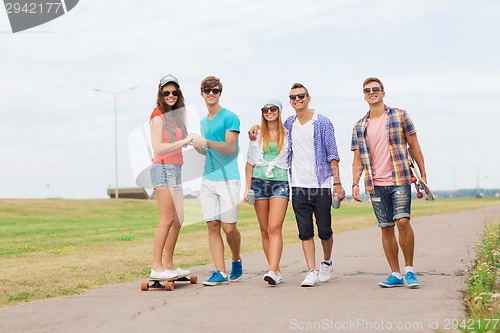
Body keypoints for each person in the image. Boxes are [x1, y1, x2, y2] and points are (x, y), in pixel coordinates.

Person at [250, 83, 345, 287]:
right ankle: (311, 270)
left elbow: (333, 154)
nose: (297, 100)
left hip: (321, 184)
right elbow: (270, 127)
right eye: (293, 97)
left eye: (301, 96)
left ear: (308, 98)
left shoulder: (322, 122)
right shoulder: (289, 124)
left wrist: (337, 182)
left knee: (325, 231)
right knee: (305, 231)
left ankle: (326, 261)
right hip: (298, 185)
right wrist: (256, 127)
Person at [351, 77, 426, 289]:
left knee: (402, 221)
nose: (371, 92)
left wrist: (423, 173)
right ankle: (395, 274)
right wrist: (355, 183)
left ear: (383, 93)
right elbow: (357, 159)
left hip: (400, 178)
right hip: (375, 184)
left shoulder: (400, 116)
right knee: (386, 227)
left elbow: (415, 145)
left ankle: (409, 271)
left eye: (376, 89)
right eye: (367, 90)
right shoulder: (359, 126)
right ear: (364, 96)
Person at [191, 76, 243, 286]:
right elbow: (212, 152)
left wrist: (207, 142)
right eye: (207, 90)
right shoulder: (204, 122)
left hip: (229, 179)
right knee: (213, 225)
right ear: (201, 93)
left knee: (228, 228)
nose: (211, 93)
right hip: (209, 179)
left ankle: (237, 259)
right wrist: (200, 148)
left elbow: (230, 148)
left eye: (215, 90)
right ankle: (220, 272)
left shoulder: (230, 117)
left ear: (220, 93)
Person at [148, 74, 193, 280]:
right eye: (166, 92)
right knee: (166, 219)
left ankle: (169, 264)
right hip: (163, 168)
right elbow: (158, 147)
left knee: (178, 220)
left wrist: (189, 141)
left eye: (174, 92)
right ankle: (156, 267)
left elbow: (177, 143)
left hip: (176, 169)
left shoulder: (176, 116)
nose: (171, 95)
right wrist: (183, 140)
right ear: (160, 94)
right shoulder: (157, 116)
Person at [244, 99, 289, 286]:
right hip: (259, 183)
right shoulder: (257, 135)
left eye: (273, 109)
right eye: (265, 110)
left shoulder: (288, 133)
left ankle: (272, 269)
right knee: (264, 230)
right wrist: (248, 188)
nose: (269, 112)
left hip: (280, 183)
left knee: (274, 227)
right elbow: (249, 163)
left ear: (279, 111)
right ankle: (275, 269)